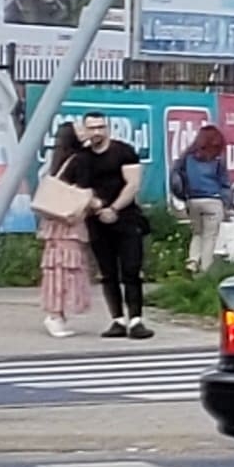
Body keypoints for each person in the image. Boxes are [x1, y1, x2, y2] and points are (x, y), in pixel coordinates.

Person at [78, 115, 152, 338]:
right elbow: (78, 188)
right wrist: (96, 207)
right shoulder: (82, 158)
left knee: (131, 270)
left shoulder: (124, 151)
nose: (97, 132)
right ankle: (117, 320)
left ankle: (136, 320)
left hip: (126, 218)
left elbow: (133, 184)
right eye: (92, 128)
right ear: (85, 130)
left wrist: (114, 209)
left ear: (107, 128)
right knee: (107, 272)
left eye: (101, 127)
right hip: (96, 220)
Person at [35, 122, 103, 341]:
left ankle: (57, 313)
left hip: (55, 221)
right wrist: (97, 204)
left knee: (56, 268)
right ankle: (55, 315)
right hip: (69, 222)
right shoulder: (81, 160)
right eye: (81, 130)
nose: (87, 132)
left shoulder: (59, 159)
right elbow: (82, 192)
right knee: (67, 269)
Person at [172, 118, 233, 275]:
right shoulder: (218, 159)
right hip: (213, 200)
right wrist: (227, 205)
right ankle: (205, 269)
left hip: (193, 200)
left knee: (197, 232)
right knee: (210, 236)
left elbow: (176, 177)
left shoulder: (188, 158)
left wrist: (182, 197)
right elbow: (225, 183)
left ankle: (192, 260)